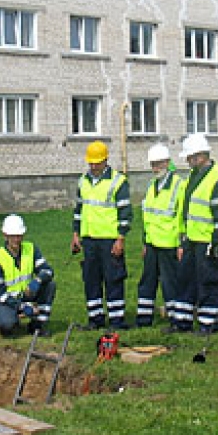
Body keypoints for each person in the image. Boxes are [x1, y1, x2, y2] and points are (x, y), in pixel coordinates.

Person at [169, 133, 218, 335]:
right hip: (192, 239)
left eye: (189, 157)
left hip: (207, 240)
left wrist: (217, 241)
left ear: (200, 155)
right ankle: (182, 322)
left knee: (208, 281)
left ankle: (208, 323)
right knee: (185, 279)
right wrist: (183, 238)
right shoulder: (195, 176)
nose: (187, 161)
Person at [72, 140, 132, 330]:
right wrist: (76, 233)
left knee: (113, 279)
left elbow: (125, 213)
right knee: (91, 279)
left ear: (105, 160)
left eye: (97, 163)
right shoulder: (83, 181)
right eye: (91, 163)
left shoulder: (118, 181)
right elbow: (79, 209)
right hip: (89, 239)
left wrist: (120, 238)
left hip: (110, 240)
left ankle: (116, 320)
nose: (94, 166)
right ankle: (95, 319)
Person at [135, 143, 185, 327]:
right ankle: (143, 318)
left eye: (159, 164)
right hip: (152, 243)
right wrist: (145, 242)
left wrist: (181, 244)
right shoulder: (151, 185)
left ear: (167, 162)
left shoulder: (179, 185)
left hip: (169, 243)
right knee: (147, 281)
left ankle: (175, 318)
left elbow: (182, 217)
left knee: (170, 283)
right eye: (153, 164)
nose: (156, 168)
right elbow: (147, 216)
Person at [0, 214, 55, 337]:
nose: (16, 239)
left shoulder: (31, 249)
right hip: (1, 301)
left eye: (19, 235)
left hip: (23, 295)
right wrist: (22, 307)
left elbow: (48, 271)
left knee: (49, 285)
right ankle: (4, 317)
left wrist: (37, 281)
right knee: (8, 325)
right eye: (13, 236)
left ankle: (38, 325)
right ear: (5, 235)